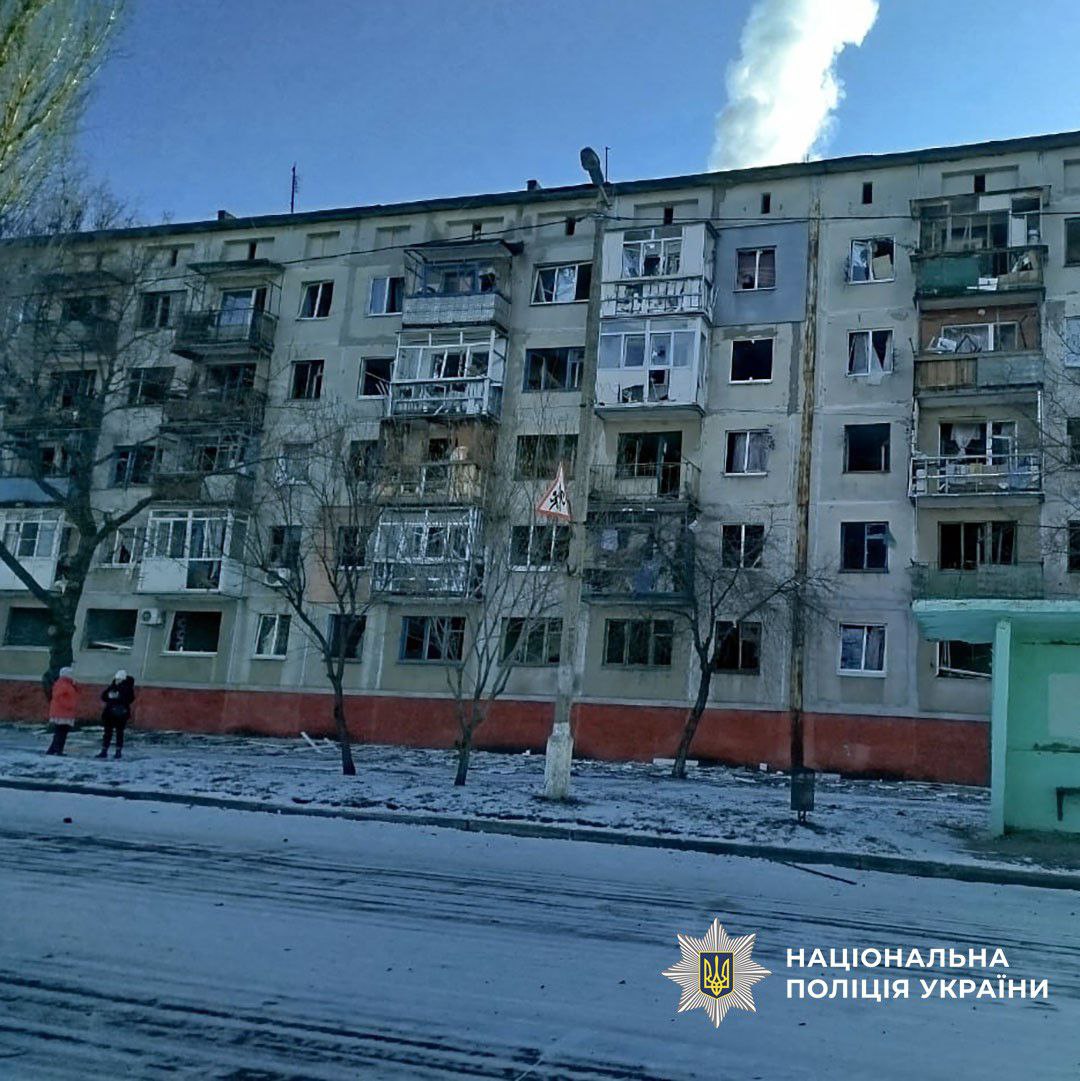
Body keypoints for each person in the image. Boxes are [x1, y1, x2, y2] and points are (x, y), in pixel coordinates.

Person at [97, 670, 135, 760]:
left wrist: (118, 697)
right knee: (107, 733)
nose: (118, 681)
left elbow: (130, 699)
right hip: (110, 713)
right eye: (117, 679)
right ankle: (104, 750)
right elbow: (103, 696)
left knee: (119, 733)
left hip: (121, 714)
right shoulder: (112, 686)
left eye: (119, 679)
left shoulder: (127, 687)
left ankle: (118, 751)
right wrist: (109, 696)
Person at [45, 667, 78, 756]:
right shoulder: (63, 684)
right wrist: (69, 705)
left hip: (64, 712)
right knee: (61, 732)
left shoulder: (66, 683)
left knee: (60, 732)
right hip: (63, 713)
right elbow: (59, 697)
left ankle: (53, 749)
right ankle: (58, 750)